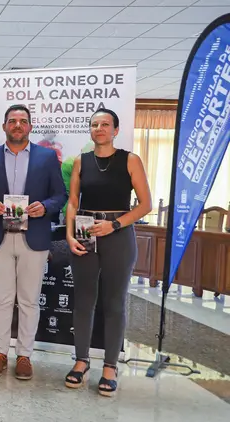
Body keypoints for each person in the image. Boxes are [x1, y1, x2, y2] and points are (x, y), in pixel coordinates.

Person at [0, 104, 67, 380]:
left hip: (34, 237)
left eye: (22, 121)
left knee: (28, 300)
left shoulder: (47, 158)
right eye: (12, 121)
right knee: (2, 299)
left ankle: (25, 355)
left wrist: (46, 207)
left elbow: (59, 196)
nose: (17, 125)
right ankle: (0, 352)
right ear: (4, 126)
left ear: (30, 126)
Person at [64, 108, 151, 396]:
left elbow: (145, 205)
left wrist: (114, 225)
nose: (99, 128)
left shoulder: (130, 160)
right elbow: (73, 202)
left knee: (114, 302)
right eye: (94, 124)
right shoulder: (81, 162)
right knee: (84, 301)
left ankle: (110, 366)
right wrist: (69, 232)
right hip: (85, 231)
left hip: (118, 235)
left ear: (115, 129)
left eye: (105, 124)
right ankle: (81, 361)